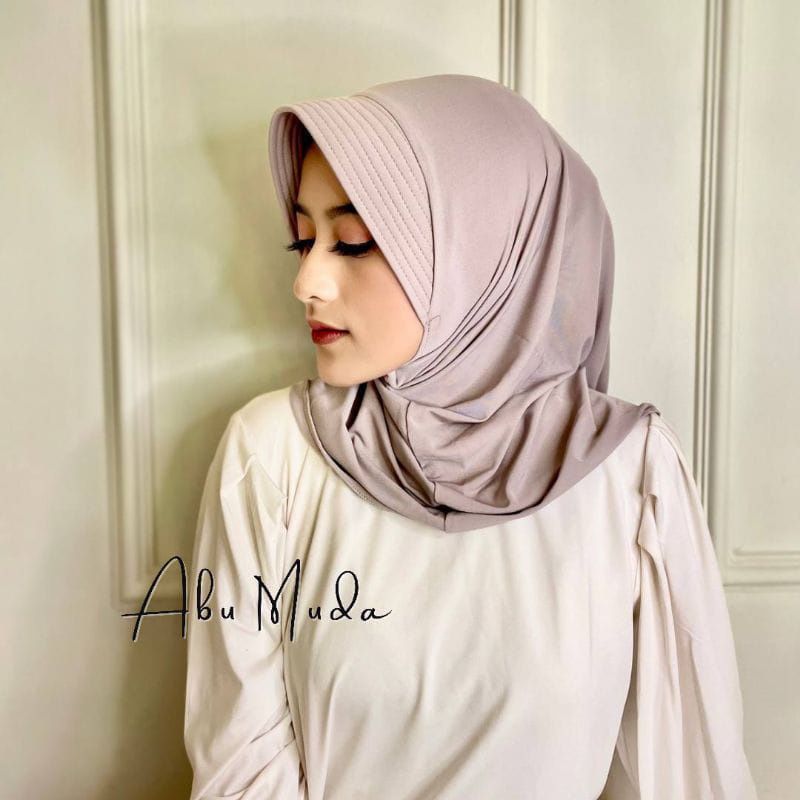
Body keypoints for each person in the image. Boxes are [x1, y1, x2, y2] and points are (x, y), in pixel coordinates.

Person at [183, 74, 758, 799]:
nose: (307, 282)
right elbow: (240, 771)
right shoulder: (270, 457)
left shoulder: (630, 474)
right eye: (303, 239)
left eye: (352, 242)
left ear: (481, 255)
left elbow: (685, 774)